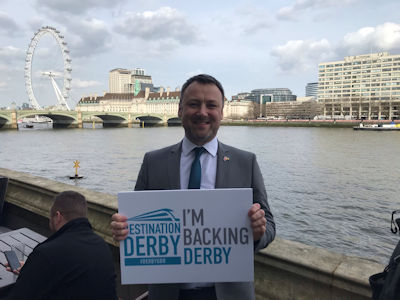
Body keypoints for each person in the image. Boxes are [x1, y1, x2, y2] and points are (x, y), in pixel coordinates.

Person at [111, 74, 276, 300]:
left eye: (211, 105)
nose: (202, 112)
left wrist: (258, 232)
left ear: (222, 112)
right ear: (180, 110)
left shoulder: (245, 162)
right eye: (193, 104)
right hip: (169, 293)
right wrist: (122, 229)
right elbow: (136, 220)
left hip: (228, 293)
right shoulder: (153, 162)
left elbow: (270, 226)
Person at [4, 190, 118, 300]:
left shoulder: (46, 253)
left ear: (58, 216)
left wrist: (32, 270)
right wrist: (31, 269)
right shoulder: (102, 246)